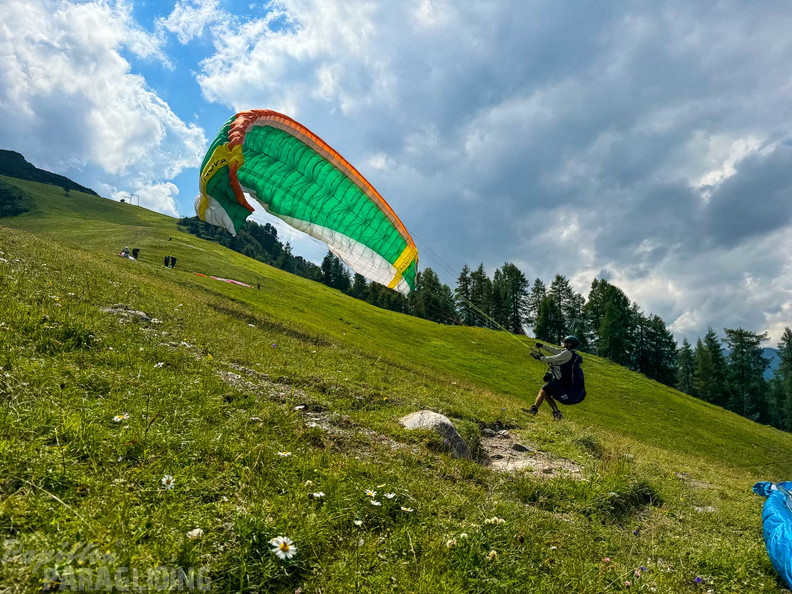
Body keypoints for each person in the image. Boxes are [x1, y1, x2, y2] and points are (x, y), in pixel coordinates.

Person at [528, 335, 586, 420]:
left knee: (544, 390)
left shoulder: (568, 353)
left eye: (566, 342)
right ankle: (548, 412)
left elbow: (554, 359)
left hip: (562, 383)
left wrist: (540, 358)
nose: (564, 344)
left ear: (570, 345)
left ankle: (537, 410)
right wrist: (542, 346)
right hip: (561, 381)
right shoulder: (569, 353)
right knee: (544, 391)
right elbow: (556, 350)